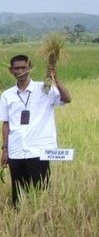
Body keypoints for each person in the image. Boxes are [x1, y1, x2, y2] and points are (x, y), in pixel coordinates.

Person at [0, 54, 72, 206]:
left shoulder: (44, 89)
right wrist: (5, 149)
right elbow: (6, 123)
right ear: (10, 70)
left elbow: (67, 99)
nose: (20, 71)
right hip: (17, 151)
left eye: (24, 67)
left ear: (30, 68)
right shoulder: (7, 95)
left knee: (41, 193)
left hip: (39, 150)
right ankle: (21, 222)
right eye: (17, 68)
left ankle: (42, 222)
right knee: (19, 195)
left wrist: (55, 79)